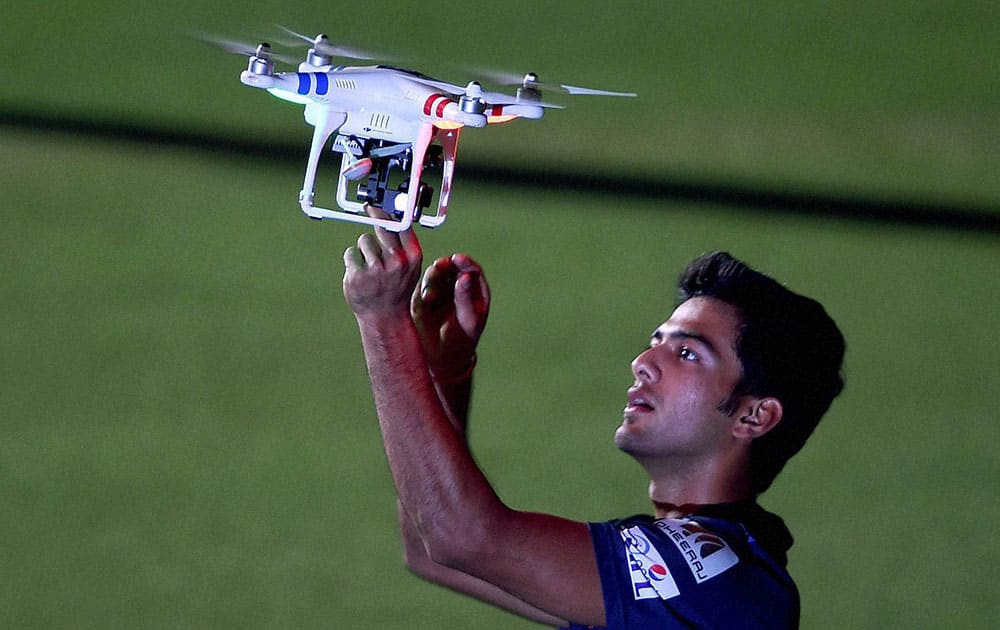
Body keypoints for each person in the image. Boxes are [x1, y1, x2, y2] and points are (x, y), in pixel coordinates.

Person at [342, 221, 845, 628]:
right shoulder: (684, 579)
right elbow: (433, 551)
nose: (644, 360)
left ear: (755, 415)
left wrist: (384, 322)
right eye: (657, 340)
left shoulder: (714, 577)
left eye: (688, 352)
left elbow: (460, 538)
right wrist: (447, 369)